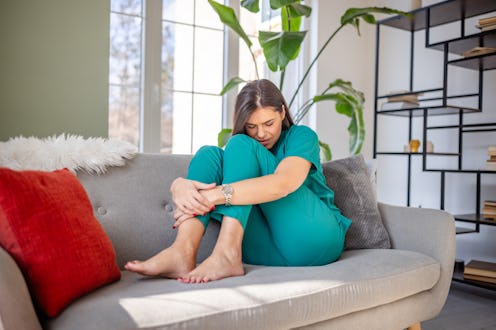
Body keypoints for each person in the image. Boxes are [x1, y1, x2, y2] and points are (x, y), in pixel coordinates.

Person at [125, 79, 351, 283]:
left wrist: (214, 194)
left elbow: (284, 183)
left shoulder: (301, 136)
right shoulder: (243, 154)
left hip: (315, 239)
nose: (261, 134)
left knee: (240, 143)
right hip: (267, 248)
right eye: (252, 126)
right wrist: (179, 184)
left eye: (269, 123)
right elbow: (217, 170)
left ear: (282, 113)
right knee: (209, 154)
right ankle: (182, 251)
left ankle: (226, 252)